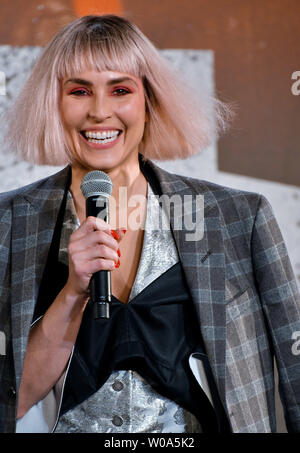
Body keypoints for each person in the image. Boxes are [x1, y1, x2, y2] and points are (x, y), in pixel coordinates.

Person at [0, 14, 299, 434]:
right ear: (53, 104)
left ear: (150, 101)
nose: (100, 112)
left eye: (120, 90)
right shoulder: (8, 223)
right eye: (79, 91)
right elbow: (7, 402)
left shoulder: (238, 217)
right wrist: (72, 293)